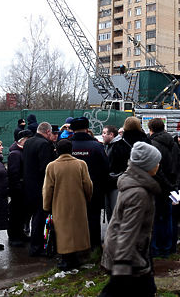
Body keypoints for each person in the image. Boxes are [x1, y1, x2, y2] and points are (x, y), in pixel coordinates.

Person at [99, 142, 162, 297]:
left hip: (132, 252)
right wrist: (121, 268)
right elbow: (127, 230)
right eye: (156, 162)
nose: (159, 165)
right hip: (128, 256)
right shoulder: (138, 193)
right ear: (146, 166)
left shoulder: (133, 181)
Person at [43, 139, 93, 270]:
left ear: (57, 150)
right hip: (78, 202)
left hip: (59, 204)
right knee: (77, 229)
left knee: (63, 231)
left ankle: (66, 259)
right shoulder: (81, 164)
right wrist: (87, 198)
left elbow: (48, 188)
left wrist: (46, 206)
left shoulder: (52, 166)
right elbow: (88, 184)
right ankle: (77, 257)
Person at [70, 116, 109, 249]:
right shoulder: (96, 146)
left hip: (71, 190)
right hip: (94, 189)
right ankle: (94, 246)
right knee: (93, 217)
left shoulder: (67, 145)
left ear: (72, 129)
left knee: (74, 219)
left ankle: (77, 245)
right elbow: (105, 168)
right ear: (87, 129)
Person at [148, 117, 180, 257]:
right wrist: (175, 184)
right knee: (168, 218)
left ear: (151, 129)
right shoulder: (173, 144)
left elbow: (156, 168)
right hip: (171, 187)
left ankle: (155, 249)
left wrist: (166, 182)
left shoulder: (152, 144)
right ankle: (168, 248)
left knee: (155, 219)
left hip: (158, 186)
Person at [23, 122, 57, 256]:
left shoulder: (28, 142)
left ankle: (35, 245)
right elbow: (46, 168)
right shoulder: (44, 145)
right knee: (39, 218)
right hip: (40, 187)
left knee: (34, 217)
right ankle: (37, 248)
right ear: (48, 132)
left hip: (28, 185)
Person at [107, 117, 149, 222]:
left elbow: (112, 167)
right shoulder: (147, 143)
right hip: (144, 184)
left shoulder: (118, 145)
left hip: (124, 185)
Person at [7, 129, 33, 246]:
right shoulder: (15, 154)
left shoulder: (22, 152)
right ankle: (14, 237)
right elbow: (13, 174)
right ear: (22, 140)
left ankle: (20, 234)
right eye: (28, 139)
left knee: (22, 214)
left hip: (23, 189)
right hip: (18, 190)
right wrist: (17, 189)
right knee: (15, 214)